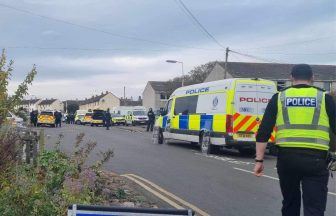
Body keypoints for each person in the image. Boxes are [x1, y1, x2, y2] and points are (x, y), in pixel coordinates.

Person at [254, 64, 335, 216]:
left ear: (291, 78)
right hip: (316, 161)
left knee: (290, 204)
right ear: (312, 79)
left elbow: (263, 132)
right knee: (314, 208)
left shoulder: (279, 97)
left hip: (287, 160)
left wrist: (259, 161)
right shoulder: (325, 98)